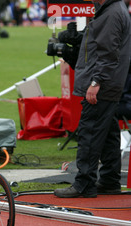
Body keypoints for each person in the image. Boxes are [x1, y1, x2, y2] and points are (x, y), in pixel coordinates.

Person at [54, 0, 131, 198]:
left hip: (102, 84)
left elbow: (108, 53)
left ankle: (84, 183)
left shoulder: (112, 13)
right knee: (108, 132)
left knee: (89, 131)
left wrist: (96, 82)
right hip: (110, 82)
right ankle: (109, 179)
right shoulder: (113, 10)